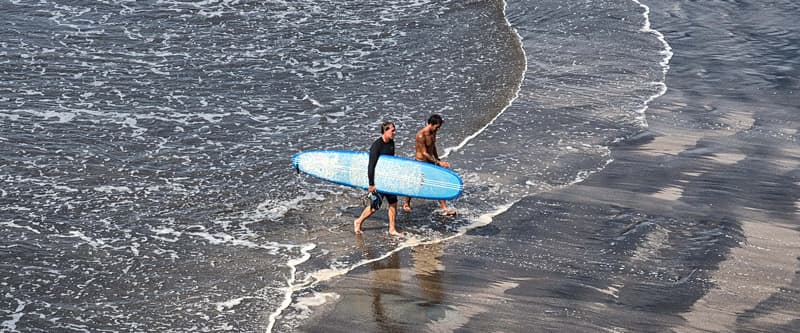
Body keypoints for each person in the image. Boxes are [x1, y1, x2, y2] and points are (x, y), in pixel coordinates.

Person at [353, 121, 404, 237]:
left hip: (388, 179)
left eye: (394, 130)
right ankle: (358, 221)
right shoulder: (376, 146)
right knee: (374, 207)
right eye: (392, 130)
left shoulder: (391, 143)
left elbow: (390, 162)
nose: (394, 133)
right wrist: (371, 184)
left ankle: (392, 228)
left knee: (393, 203)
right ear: (385, 131)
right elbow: (371, 166)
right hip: (378, 180)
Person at [403, 114, 456, 215]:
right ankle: (406, 203)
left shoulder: (433, 132)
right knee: (415, 183)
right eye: (437, 127)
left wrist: (437, 159)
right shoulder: (421, 135)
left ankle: (444, 208)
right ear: (431, 124)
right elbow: (424, 153)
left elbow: (433, 146)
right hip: (421, 163)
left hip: (431, 161)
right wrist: (438, 162)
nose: (438, 129)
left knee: (438, 182)